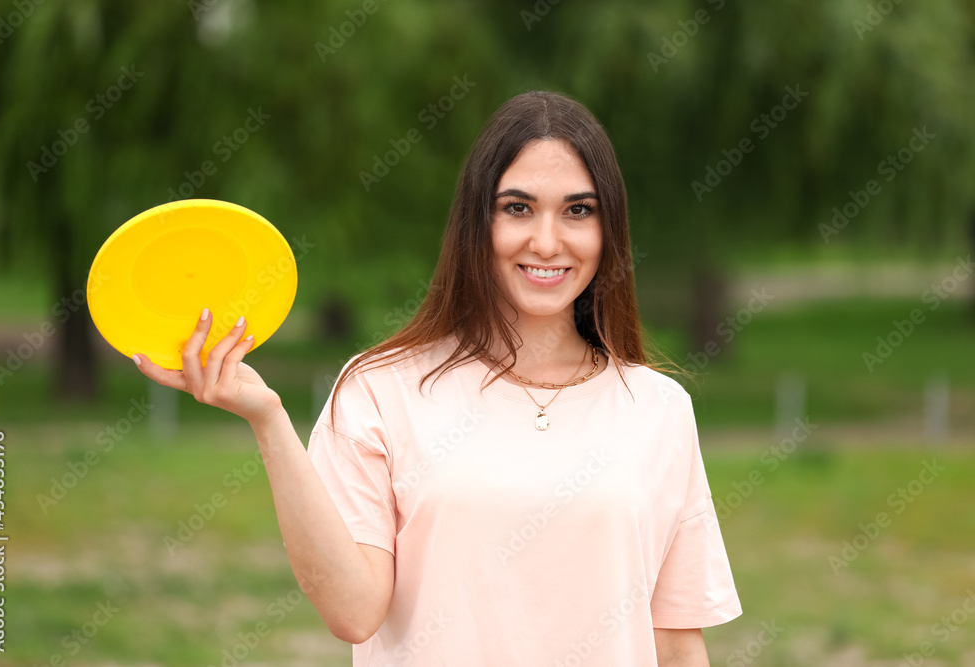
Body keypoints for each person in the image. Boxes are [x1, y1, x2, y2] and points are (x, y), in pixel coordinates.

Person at [133, 90, 741, 666]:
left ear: (609, 233)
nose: (547, 241)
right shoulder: (380, 389)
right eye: (517, 207)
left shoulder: (659, 409)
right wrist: (267, 418)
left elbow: (678, 647)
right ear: (477, 221)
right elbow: (352, 611)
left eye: (578, 210)